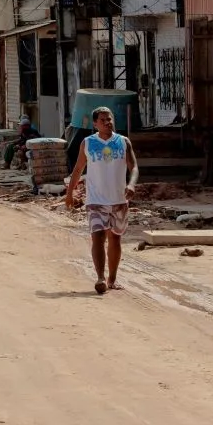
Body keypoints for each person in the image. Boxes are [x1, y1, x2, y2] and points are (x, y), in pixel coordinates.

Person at [66, 107, 139, 294]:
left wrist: (131, 185)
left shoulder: (123, 142)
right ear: (95, 124)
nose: (108, 122)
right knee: (97, 237)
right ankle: (100, 278)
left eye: (110, 119)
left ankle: (112, 279)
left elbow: (134, 167)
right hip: (95, 200)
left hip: (119, 200)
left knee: (115, 239)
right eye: (103, 120)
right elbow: (78, 169)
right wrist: (69, 193)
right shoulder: (88, 143)